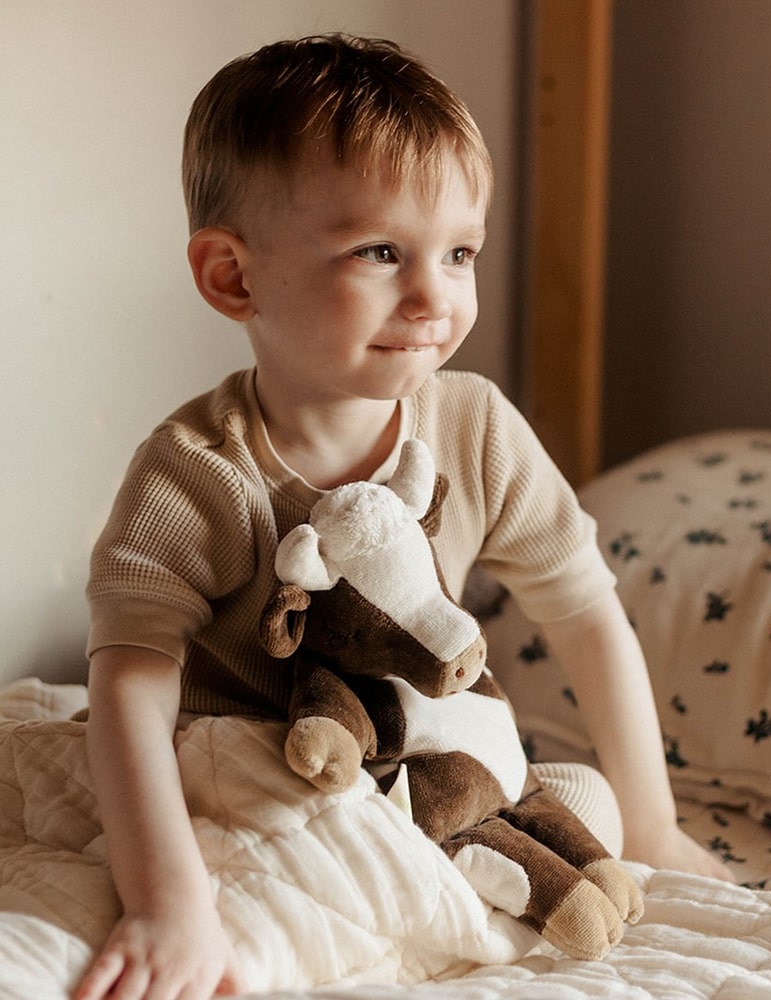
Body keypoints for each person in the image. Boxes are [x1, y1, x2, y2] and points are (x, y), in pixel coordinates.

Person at [75, 32, 732, 1000]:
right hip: (255, 747)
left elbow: (584, 611)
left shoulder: (474, 427)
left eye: (458, 252)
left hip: (415, 746)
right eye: (380, 252)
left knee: (577, 799)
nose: (434, 297)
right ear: (233, 277)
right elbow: (129, 684)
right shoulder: (197, 471)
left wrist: (653, 823)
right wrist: (165, 901)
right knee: (266, 815)